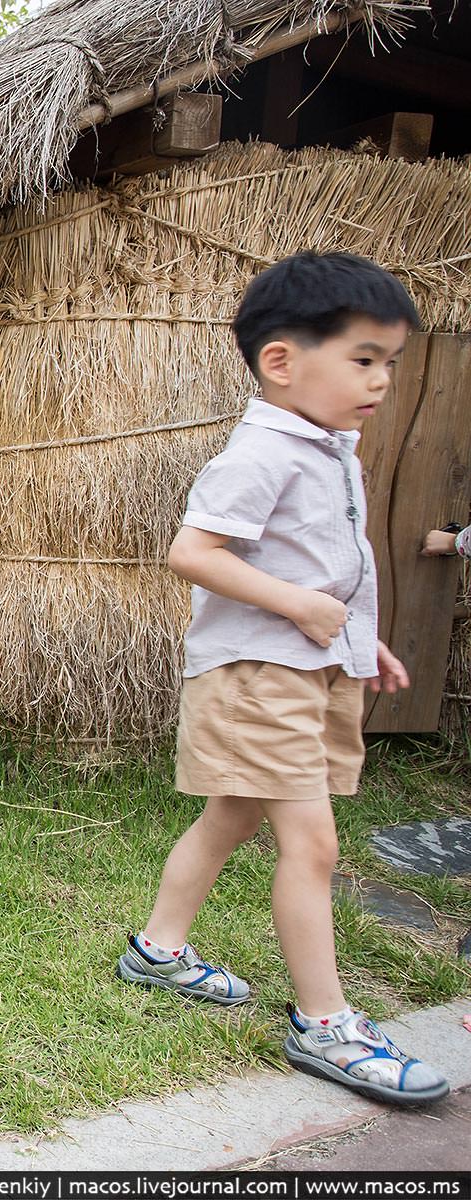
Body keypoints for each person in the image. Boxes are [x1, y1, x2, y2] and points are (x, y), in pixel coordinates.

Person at [119, 251, 449, 1106]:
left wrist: (359, 641)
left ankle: (158, 949)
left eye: (389, 363)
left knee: (231, 815)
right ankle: (325, 1023)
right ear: (281, 362)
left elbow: (335, 562)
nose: (380, 380)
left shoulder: (329, 445)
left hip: (307, 665)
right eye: (364, 358)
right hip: (261, 673)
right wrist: (302, 609)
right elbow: (192, 552)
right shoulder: (262, 452)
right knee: (314, 843)